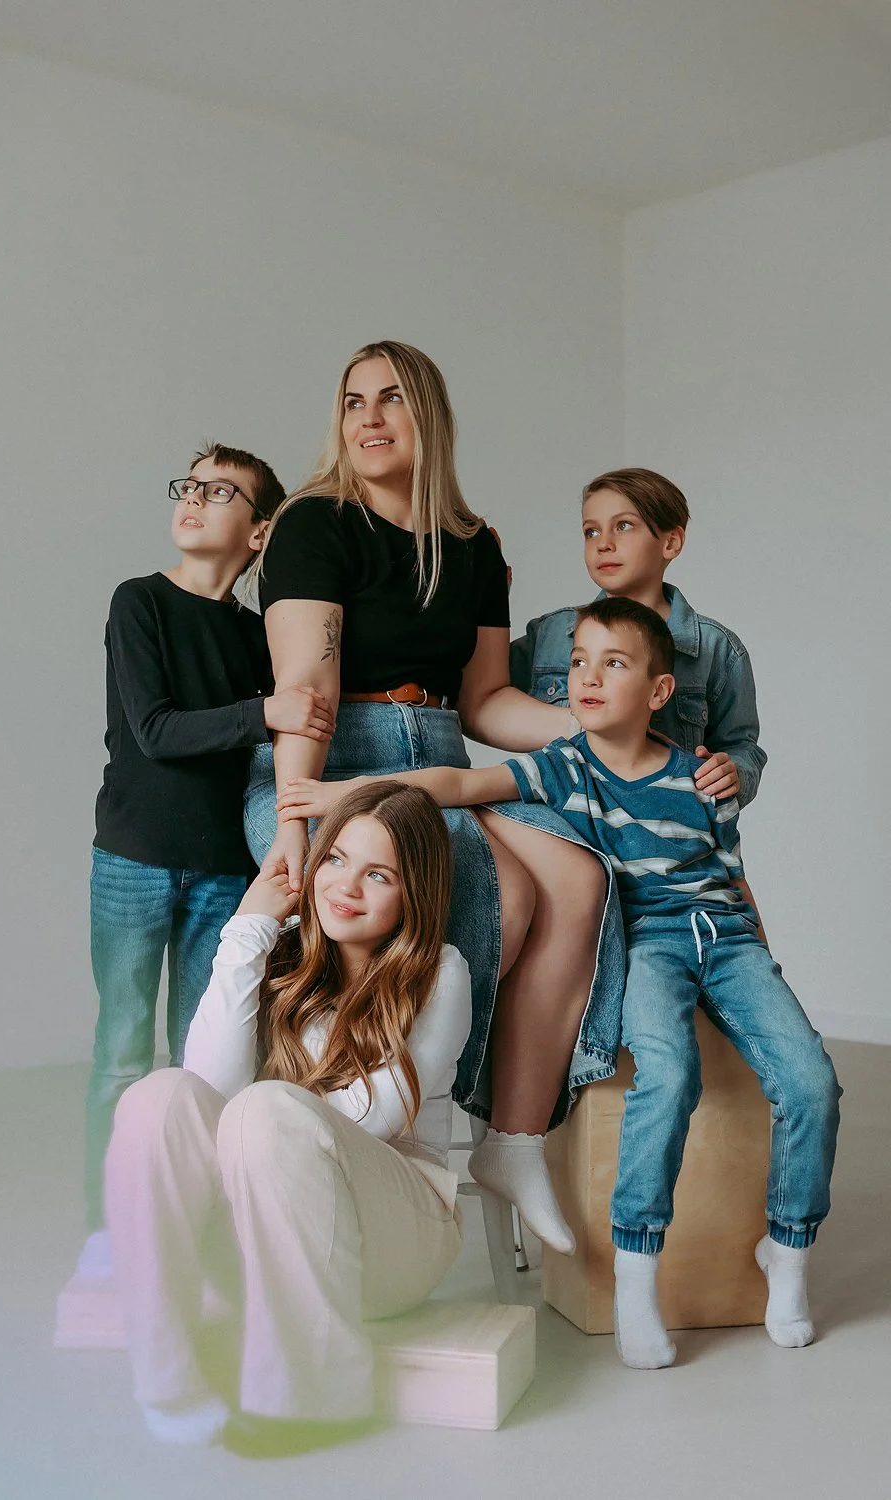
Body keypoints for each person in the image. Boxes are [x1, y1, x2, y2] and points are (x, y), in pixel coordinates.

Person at [280, 597, 841, 1369]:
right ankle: (637, 1280)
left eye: (613, 664)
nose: (587, 676)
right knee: (668, 1075)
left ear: (658, 693)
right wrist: (350, 797)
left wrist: (766, 974)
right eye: (578, 660)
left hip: (730, 943)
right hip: (650, 945)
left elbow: (734, 885)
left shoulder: (700, 778)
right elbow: (458, 783)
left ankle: (789, 1248)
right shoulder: (564, 766)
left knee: (812, 1081)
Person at [246, 340, 626, 1256]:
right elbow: (310, 689)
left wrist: (593, 732)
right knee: (511, 894)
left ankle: (515, 1137)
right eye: (352, 402)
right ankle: (428, 1121)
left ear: (430, 416)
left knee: (578, 877)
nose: (368, 419)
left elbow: (488, 699)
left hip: (445, 755)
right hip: (341, 757)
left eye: (390, 400)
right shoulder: (315, 523)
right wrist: (302, 817)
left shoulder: (476, 545)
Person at [105, 781, 472, 1450]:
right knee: (158, 1098)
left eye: (378, 875)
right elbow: (205, 1090)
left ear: (412, 892)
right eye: (334, 860)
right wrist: (248, 929)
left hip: (394, 1243)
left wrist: (260, 1112)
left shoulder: (440, 974)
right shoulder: (278, 950)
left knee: (267, 1108)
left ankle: (312, 1398)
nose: (346, 887)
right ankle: (169, 1379)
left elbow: (372, 1119)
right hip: (264, 1237)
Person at [76, 443, 334, 1281]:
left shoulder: (258, 634)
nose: (194, 500)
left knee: (209, 1053)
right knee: (122, 1050)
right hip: (134, 860)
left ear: (258, 532)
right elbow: (153, 731)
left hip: (226, 870)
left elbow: (288, 725)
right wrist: (264, 711)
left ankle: (190, 1226)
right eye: (190, 484)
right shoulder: (139, 602)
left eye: (221, 492)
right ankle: (109, 1231)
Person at [510, 467, 767, 806]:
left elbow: (743, 745)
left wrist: (732, 771)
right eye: (590, 531)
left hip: (662, 836)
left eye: (624, 525)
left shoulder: (718, 649)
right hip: (563, 835)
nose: (603, 544)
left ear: (670, 542)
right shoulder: (551, 634)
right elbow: (479, 695)